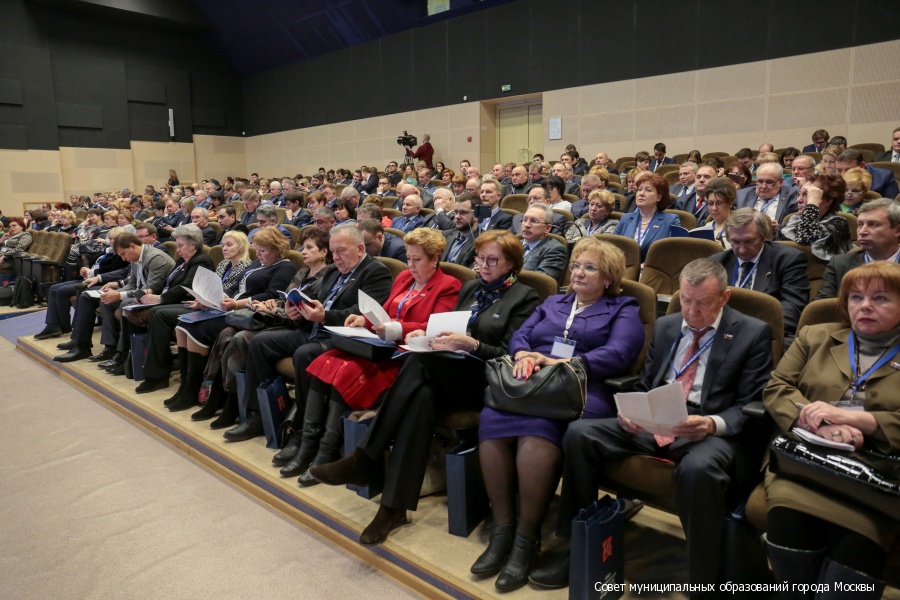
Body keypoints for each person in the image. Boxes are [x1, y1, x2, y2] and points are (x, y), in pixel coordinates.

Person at [530, 259, 774, 592]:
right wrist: (631, 412)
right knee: (580, 433)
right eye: (685, 299)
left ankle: (705, 579)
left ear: (724, 297)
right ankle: (577, 546)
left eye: (703, 302)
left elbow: (750, 404)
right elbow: (646, 383)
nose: (692, 311)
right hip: (658, 417)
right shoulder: (668, 325)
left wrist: (711, 424)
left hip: (706, 428)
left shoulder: (752, 333)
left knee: (699, 470)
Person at [309, 230, 540, 545]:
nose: (483, 266)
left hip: (486, 377)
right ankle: (392, 509)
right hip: (449, 369)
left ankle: (365, 458)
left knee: (417, 366)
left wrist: (472, 344)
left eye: (492, 260)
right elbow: (447, 328)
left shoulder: (525, 297)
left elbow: (510, 355)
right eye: (480, 258)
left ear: (511, 263)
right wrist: (431, 337)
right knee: (420, 399)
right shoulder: (472, 288)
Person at [470, 238, 645, 592]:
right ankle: (503, 530)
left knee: (537, 431)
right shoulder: (553, 302)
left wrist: (559, 362)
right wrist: (523, 355)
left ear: (609, 277)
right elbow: (521, 336)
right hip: (533, 381)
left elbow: (619, 353)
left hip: (583, 389)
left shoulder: (623, 307)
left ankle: (527, 539)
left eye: (590, 267)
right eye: (577, 265)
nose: (578, 272)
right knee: (492, 420)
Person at [280, 228, 461, 485]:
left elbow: (433, 327)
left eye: (417, 259)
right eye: (408, 258)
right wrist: (362, 319)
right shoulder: (404, 278)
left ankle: (326, 451)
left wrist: (396, 328)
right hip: (378, 345)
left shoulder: (448, 285)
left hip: (405, 357)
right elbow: (382, 313)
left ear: (434, 259)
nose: (410, 265)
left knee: (344, 371)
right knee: (324, 362)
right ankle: (308, 443)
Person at [763, 262, 900, 598]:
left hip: (876, 480)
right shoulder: (816, 336)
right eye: (856, 297)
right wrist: (821, 423)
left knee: (855, 554)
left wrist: (866, 422)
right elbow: (777, 388)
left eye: (880, 298)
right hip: (803, 465)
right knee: (788, 528)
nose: (864, 306)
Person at [222, 225, 393, 442]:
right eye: (334, 251)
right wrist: (298, 312)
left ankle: (301, 430)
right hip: (312, 329)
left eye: (341, 251)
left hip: (339, 337)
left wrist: (324, 316)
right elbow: (316, 302)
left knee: (304, 354)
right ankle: (257, 416)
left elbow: (362, 313)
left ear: (360, 249)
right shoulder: (333, 271)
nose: (336, 257)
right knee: (260, 342)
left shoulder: (375, 272)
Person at [190, 228, 325, 425]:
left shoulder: (313, 273)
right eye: (303, 247)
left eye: (309, 248)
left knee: (240, 338)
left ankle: (234, 404)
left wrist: (271, 307)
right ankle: (217, 396)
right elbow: (283, 298)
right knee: (226, 333)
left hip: (282, 322)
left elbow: (295, 306)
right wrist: (273, 304)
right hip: (274, 316)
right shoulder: (302, 272)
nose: (303, 252)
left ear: (324, 252)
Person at [104, 225, 215, 386]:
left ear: (193, 245)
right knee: (131, 308)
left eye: (181, 246)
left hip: (190, 303)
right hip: (173, 300)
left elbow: (185, 287)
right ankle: (133, 362)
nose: (178, 250)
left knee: (158, 313)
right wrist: (149, 292)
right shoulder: (183, 260)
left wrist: (160, 298)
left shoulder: (201, 260)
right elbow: (166, 282)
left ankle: (157, 374)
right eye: (177, 245)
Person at [53, 233, 175, 363]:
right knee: (94, 297)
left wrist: (118, 295)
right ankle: (95, 347)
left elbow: (150, 290)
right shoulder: (136, 257)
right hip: (140, 296)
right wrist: (113, 293)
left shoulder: (156, 258)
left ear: (132, 246)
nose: (123, 259)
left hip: (156, 299)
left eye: (123, 254)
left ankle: (123, 354)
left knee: (123, 303)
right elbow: (132, 284)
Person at [711, 208, 809, 344]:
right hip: (721, 334)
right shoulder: (717, 263)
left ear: (764, 237)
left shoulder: (788, 259)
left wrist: (751, 333)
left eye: (749, 241)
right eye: (736, 242)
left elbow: (792, 309)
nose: (742, 249)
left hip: (765, 336)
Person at [34, 227, 129, 340]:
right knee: (53, 288)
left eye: (115, 239)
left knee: (61, 290)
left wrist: (92, 273)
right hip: (91, 278)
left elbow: (114, 271)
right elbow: (96, 265)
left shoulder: (121, 255)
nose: (112, 241)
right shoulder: (108, 251)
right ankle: (53, 325)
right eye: (110, 238)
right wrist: (85, 270)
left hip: (103, 282)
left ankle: (62, 326)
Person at [817, 199, 900, 299]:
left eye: (873, 224)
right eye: (860, 224)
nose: (862, 232)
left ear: (897, 230)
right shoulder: (840, 264)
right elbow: (823, 305)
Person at [779, 171, 852, 261]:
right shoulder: (793, 220)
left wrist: (812, 204)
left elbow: (804, 240)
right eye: (799, 194)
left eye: (807, 195)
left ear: (828, 200)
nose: (798, 200)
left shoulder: (838, 225)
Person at [613, 171, 681, 262]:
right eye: (639, 189)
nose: (641, 193)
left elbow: (673, 253)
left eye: (648, 190)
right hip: (624, 266)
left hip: (653, 268)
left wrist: (646, 266)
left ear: (659, 197)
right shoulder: (626, 218)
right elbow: (612, 246)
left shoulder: (671, 220)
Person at [692, 176, 736, 247]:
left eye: (719, 203)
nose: (714, 208)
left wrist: (722, 249)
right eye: (710, 203)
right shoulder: (705, 228)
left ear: (730, 203)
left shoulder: (739, 229)